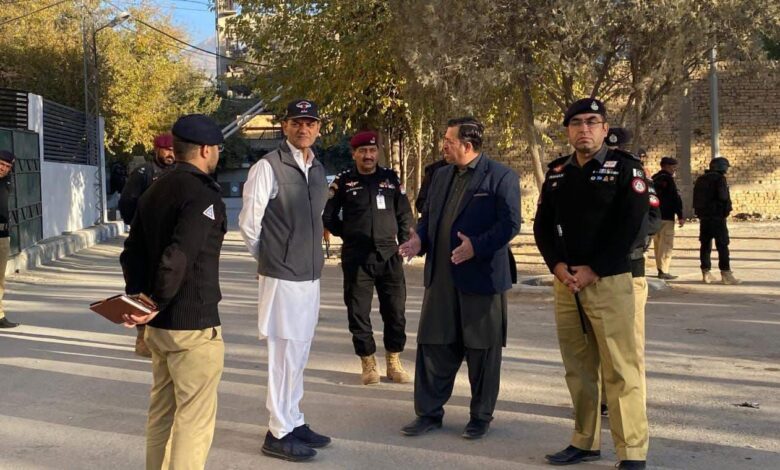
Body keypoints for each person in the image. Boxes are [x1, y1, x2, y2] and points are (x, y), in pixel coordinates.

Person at [533, 98, 649, 470]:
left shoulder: (625, 168)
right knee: (579, 369)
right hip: (567, 284)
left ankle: (632, 452)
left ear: (604, 129)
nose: (584, 129)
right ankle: (584, 441)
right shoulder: (557, 172)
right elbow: (542, 225)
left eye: (592, 122)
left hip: (609, 280)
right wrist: (557, 266)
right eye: (577, 123)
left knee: (621, 369)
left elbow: (631, 225)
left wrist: (593, 269)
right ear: (568, 130)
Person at [398, 117, 520, 440]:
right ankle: (428, 413)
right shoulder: (440, 175)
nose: (443, 145)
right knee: (433, 345)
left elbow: (510, 225)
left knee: (482, 350)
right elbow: (429, 219)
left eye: (448, 140)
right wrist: (419, 241)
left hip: (481, 278)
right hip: (441, 278)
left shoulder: (501, 177)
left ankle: (480, 417)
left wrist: (476, 246)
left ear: (467, 145)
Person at [120, 114, 227, 469]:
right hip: (192, 324)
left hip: (159, 329)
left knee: (161, 414)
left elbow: (131, 253)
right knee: (193, 422)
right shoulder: (203, 194)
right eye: (217, 149)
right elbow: (179, 254)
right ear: (206, 150)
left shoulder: (155, 189)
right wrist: (157, 300)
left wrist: (140, 299)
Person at [238, 99, 331, 462]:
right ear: (285, 126)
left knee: (299, 352)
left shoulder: (317, 168)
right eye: (296, 122)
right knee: (282, 354)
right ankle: (278, 432)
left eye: (310, 122)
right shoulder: (268, 167)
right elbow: (249, 224)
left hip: (309, 275)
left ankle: (293, 418)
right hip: (282, 276)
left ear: (318, 128)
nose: (303, 128)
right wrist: (270, 259)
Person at [322, 130, 414, 385]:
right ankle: (368, 362)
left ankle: (393, 361)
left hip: (389, 256)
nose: (368, 155)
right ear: (354, 154)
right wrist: (349, 234)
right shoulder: (343, 182)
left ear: (377, 153)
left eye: (372, 151)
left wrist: (405, 242)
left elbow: (404, 213)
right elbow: (329, 217)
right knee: (358, 312)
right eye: (362, 151)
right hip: (357, 257)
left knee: (395, 312)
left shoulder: (390, 179)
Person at [119, 132, 176, 357]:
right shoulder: (143, 173)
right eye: (167, 150)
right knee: (139, 288)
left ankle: (164, 337)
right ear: (157, 150)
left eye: (174, 150)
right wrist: (140, 225)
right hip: (143, 243)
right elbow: (127, 203)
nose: (171, 154)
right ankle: (143, 338)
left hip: (169, 242)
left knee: (166, 286)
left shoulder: (179, 173)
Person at [693, 157, 740, 284]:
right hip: (717, 217)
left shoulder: (701, 179)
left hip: (704, 218)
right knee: (722, 245)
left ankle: (706, 273)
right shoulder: (719, 179)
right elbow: (723, 196)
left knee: (705, 245)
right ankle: (726, 274)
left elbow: (696, 199)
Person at [652, 156, 684, 279]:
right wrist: (680, 215)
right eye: (673, 167)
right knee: (666, 244)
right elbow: (675, 198)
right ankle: (663, 271)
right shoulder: (669, 180)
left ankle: (660, 268)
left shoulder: (654, 178)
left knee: (657, 244)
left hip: (655, 216)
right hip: (667, 216)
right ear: (666, 166)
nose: (674, 169)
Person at [0, 150, 18, 329]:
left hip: (3, 236)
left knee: (0, 279)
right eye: (1, 164)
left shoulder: (7, 181)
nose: (3, 168)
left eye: (7, 166)